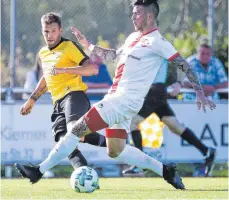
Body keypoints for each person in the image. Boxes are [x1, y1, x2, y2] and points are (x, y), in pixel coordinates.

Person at [15, 0, 215, 189]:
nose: (133, 16)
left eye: (137, 13)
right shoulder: (132, 38)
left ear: (150, 16)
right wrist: (89, 45)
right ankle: (165, 171)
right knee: (115, 151)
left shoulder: (157, 41)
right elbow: (113, 55)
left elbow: (184, 65)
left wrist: (200, 92)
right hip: (122, 101)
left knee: (76, 130)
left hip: (122, 100)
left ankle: (38, 171)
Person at [17, 12, 99, 171]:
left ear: (60, 30)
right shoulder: (42, 53)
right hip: (58, 103)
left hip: (74, 96)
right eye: (46, 31)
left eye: (53, 31)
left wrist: (64, 70)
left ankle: (112, 142)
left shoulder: (69, 46)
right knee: (64, 140)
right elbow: (47, 78)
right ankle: (84, 171)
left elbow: (92, 69)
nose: (49, 35)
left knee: (72, 133)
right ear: (42, 31)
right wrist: (32, 100)